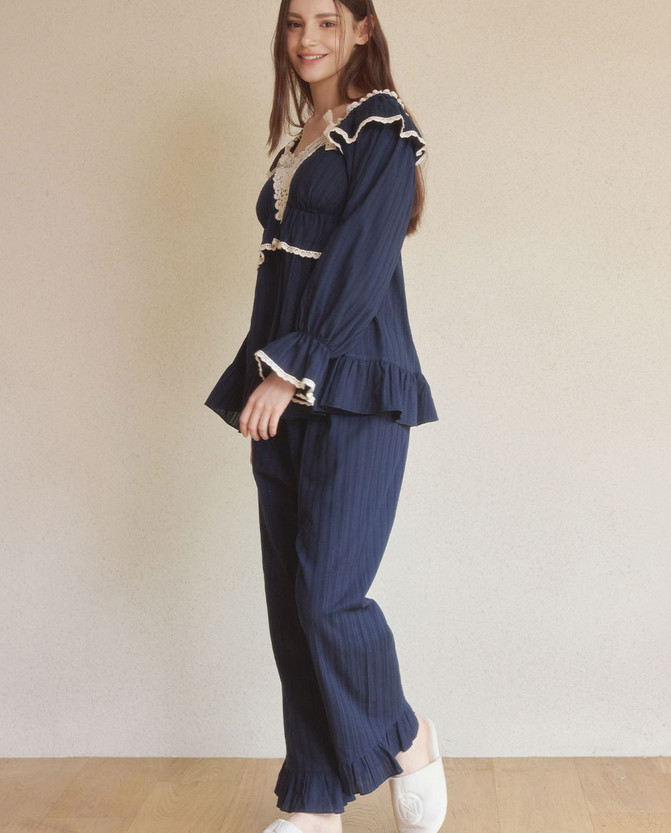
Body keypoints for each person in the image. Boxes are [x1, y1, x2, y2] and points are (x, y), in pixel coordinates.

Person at [204, 1, 448, 832]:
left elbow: (360, 261)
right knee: (289, 603)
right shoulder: (298, 141)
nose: (307, 39)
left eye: (326, 21)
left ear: (362, 29)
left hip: (357, 384)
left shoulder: (382, 127)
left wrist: (287, 372)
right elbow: (279, 278)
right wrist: (256, 384)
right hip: (280, 390)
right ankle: (313, 799)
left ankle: (404, 734)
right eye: (293, 23)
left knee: (326, 598)